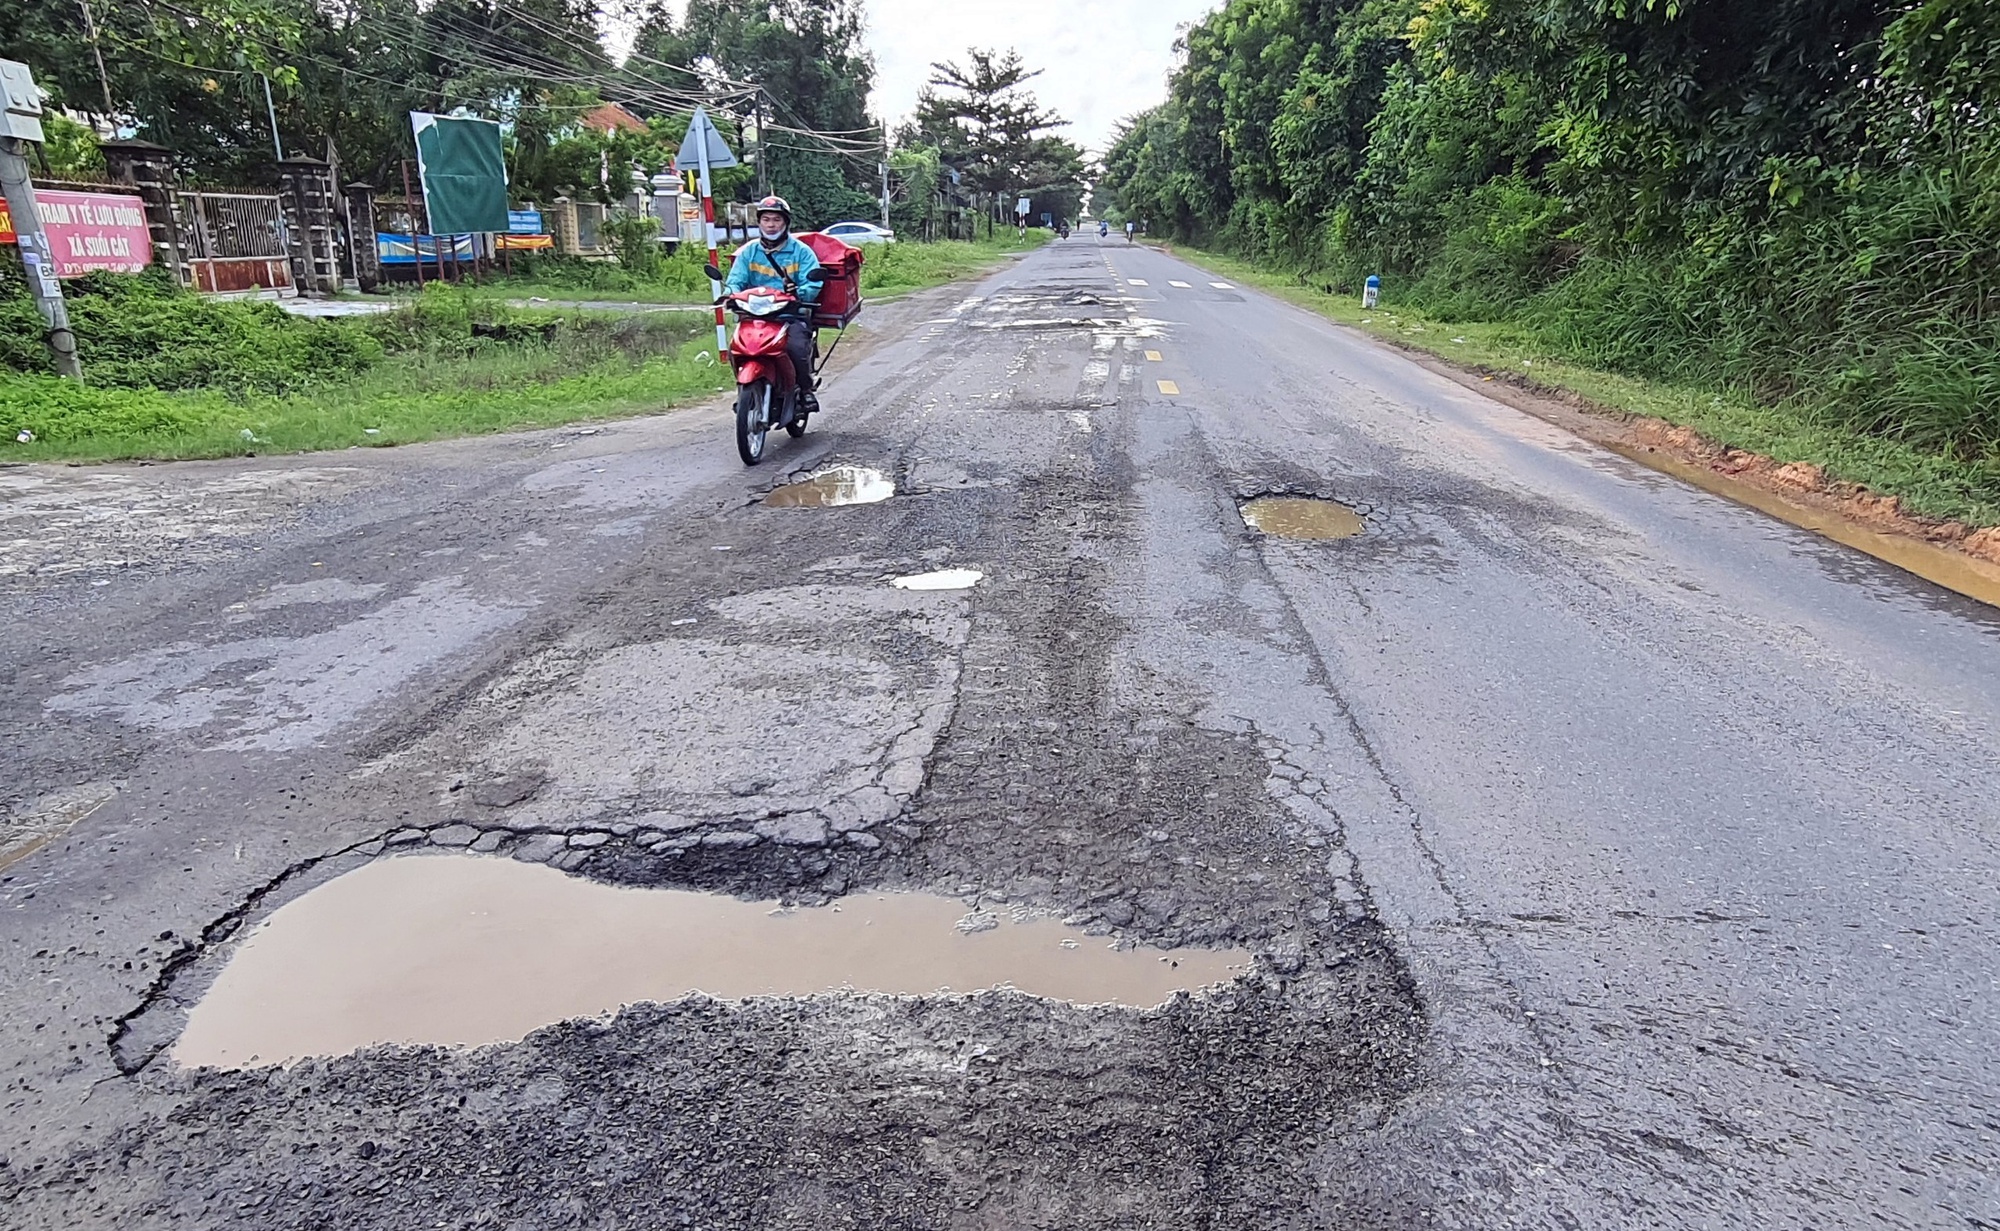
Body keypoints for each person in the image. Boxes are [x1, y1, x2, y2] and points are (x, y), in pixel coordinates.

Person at [725, 195, 823, 406]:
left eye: (776, 220)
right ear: (759, 223)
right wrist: (730, 295)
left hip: (789, 316)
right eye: (766, 219)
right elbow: (735, 280)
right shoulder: (748, 252)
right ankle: (744, 390)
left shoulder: (802, 252)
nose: (771, 225)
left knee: (796, 348)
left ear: (786, 222)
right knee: (736, 348)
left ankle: (806, 390)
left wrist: (799, 293)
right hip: (754, 316)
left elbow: (813, 284)